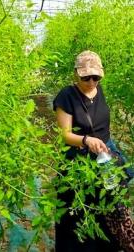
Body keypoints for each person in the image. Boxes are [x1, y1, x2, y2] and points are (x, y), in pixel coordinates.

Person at [53, 50, 134, 252]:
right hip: (78, 160)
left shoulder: (100, 90)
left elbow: (103, 127)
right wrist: (86, 140)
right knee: (78, 209)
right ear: (76, 74)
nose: (91, 82)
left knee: (108, 205)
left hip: (104, 157)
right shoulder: (66, 96)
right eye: (85, 77)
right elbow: (65, 135)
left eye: (95, 77)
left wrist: (107, 148)